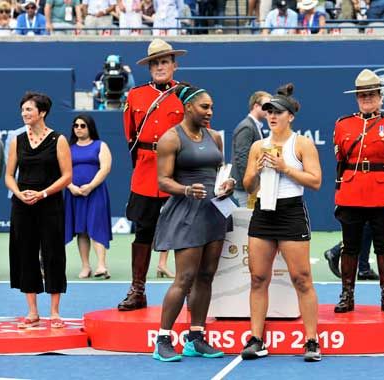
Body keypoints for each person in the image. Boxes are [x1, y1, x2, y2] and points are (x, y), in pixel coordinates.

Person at [240, 84, 322, 362]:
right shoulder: (257, 146)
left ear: (290, 116)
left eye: (278, 112)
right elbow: (248, 185)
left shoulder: (302, 144)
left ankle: (311, 341)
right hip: (263, 212)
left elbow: (316, 181)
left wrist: (285, 168)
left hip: (291, 212)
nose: (272, 116)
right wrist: (260, 169)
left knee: (302, 279)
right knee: (258, 278)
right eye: (269, 112)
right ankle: (256, 339)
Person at [152, 84, 234, 362]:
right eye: (204, 107)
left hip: (214, 212)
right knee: (184, 278)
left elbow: (218, 172)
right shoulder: (170, 139)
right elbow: (162, 180)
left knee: (206, 276)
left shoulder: (215, 137)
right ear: (188, 107)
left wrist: (228, 184)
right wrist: (186, 190)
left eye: (211, 107)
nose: (210, 112)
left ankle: (195, 337)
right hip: (186, 213)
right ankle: (163, 339)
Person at [118, 39, 186, 312]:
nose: (160, 67)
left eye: (165, 62)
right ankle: (138, 290)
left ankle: (188, 290)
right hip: (146, 172)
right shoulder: (135, 95)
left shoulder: (187, 94)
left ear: (174, 65)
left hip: (177, 172)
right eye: (155, 63)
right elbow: (130, 136)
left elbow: (195, 135)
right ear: (149, 68)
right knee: (143, 232)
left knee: (185, 234)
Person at [332, 69, 384, 315]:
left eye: (371, 95)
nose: (366, 99)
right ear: (357, 98)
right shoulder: (343, 124)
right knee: (350, 246)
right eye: (362, 95)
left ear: (380, 96)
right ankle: (347, 294)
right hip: (351, 191)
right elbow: (341, 158)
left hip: (383, 192)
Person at [5, 92, 72, 329]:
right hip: (22, 205)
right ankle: (32, 311)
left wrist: (43, 193)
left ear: (42, 113)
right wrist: (19, 193)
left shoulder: (58, 140)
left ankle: (54, 312)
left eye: (29, 110)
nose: (25, 114)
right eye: (23, 110)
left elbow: (67, 176)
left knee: (53, 253)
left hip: (50, 203)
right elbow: (9, 175)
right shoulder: (17, 140)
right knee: (25, 253)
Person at [64, 114, 112, 280]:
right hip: (74, 194)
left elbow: (105, 168)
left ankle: (101, 265)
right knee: (81, 231)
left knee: (97, 226)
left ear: (90, 127)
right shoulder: (68, 148)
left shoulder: (100, 145)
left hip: (96, 193)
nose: (78, 128)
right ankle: (86, 266)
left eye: (82, 125)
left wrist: (90, 186)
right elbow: (62, 172)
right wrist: (71, 187)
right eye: (76, 125)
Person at [230, 90, 271, 207]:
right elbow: (242, 158)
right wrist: (250, 185)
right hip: (245, 188)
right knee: (247, 223)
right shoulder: (247, 127)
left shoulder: (256, 126)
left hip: (251, 185)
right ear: (256, 106)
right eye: (266, 106)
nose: (269, 110)